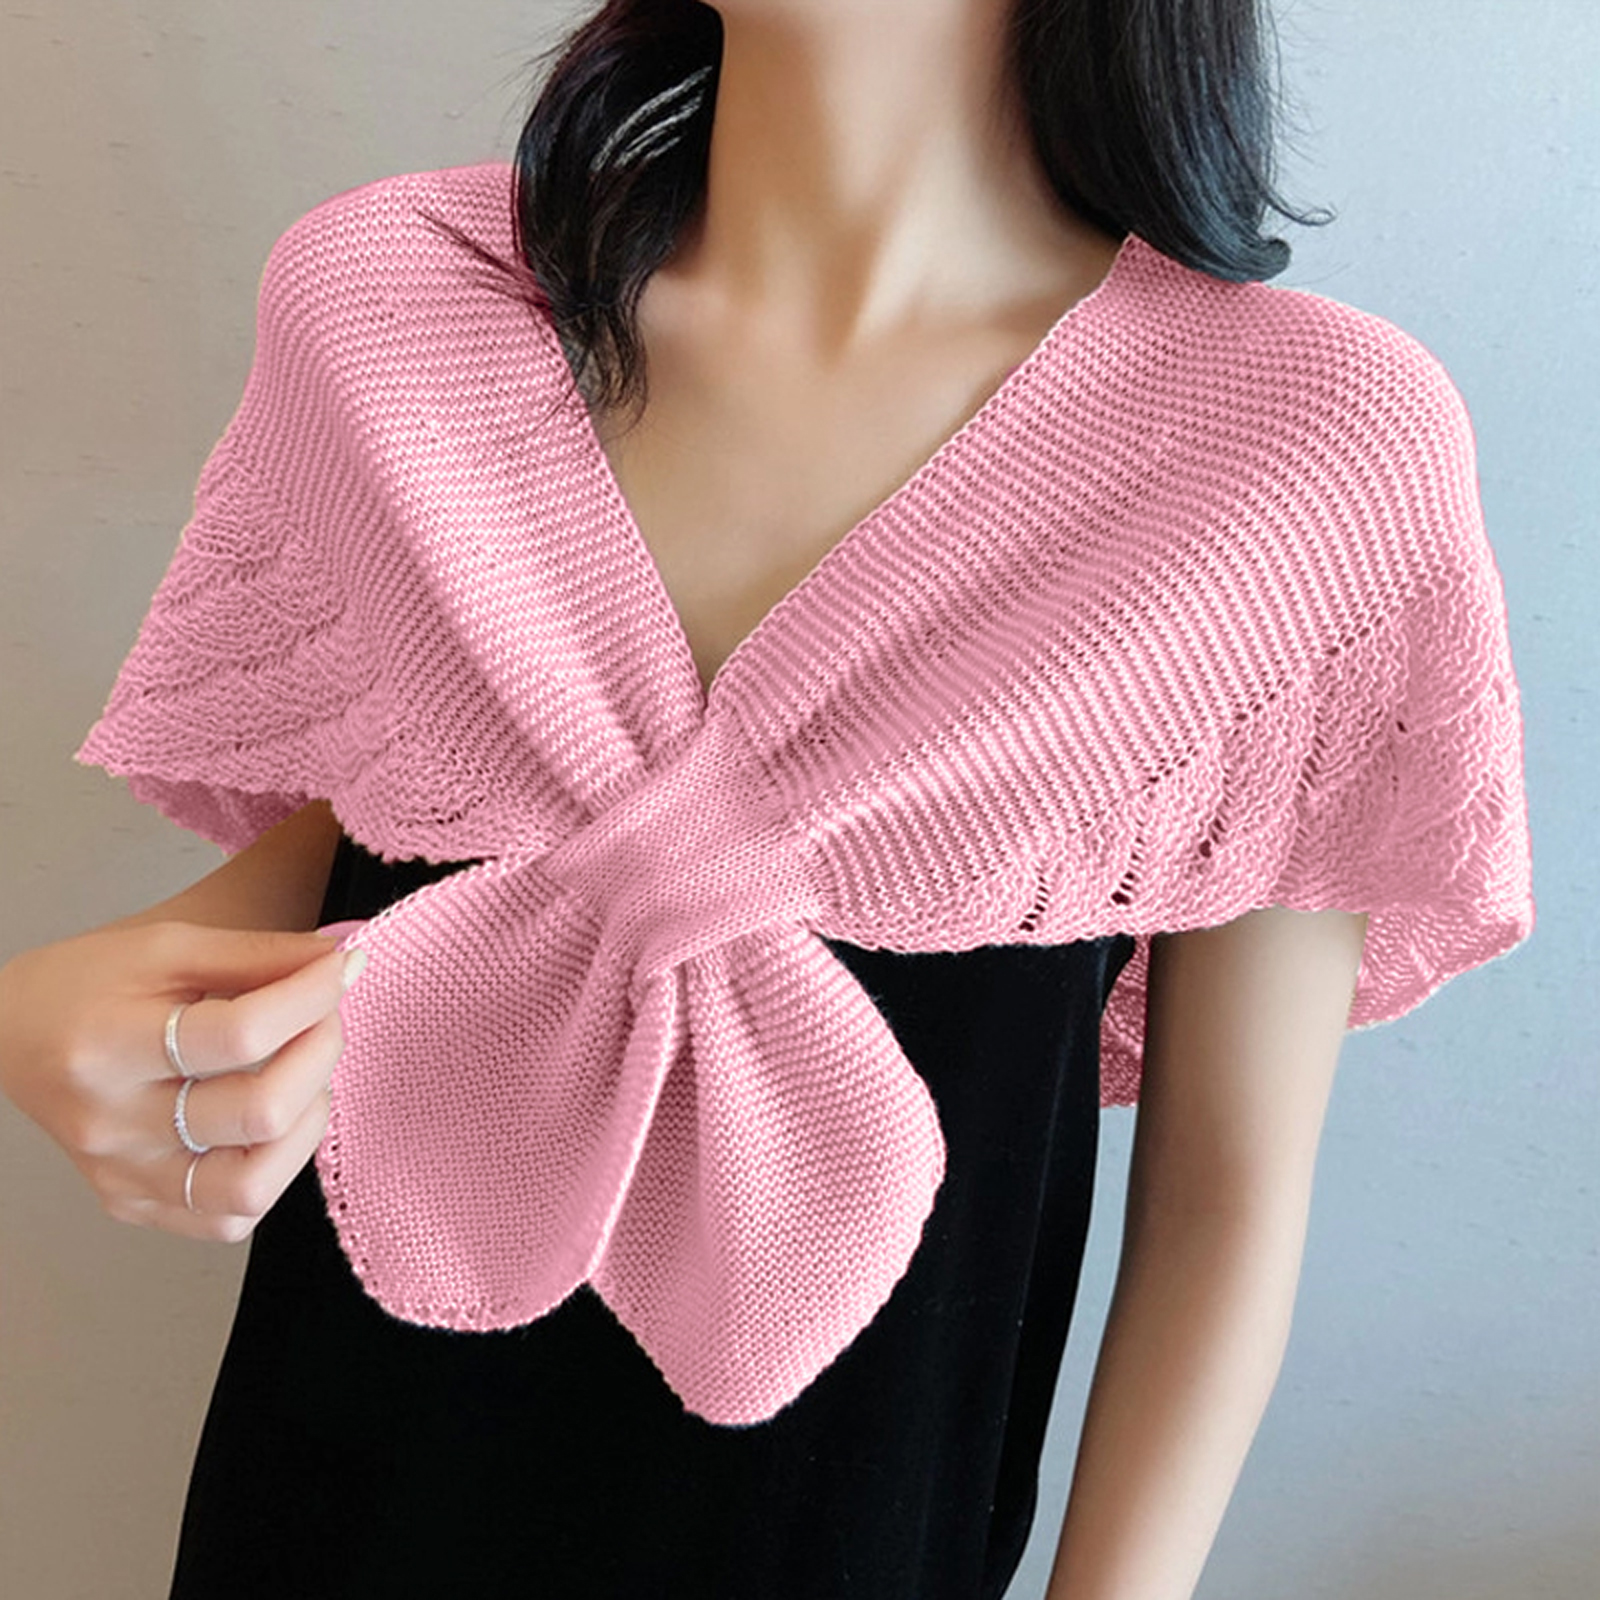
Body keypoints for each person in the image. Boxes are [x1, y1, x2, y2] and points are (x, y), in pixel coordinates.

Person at [0, 2, 1533, 1598]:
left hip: (859, 1538)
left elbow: (1226, 1204)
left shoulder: (1302, 461)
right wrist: (55, 1011)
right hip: (336, 1503)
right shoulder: (401, 309)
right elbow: (372, 859)